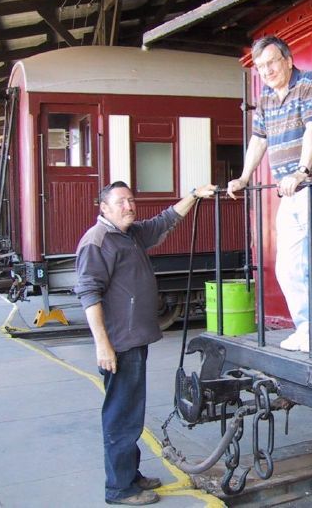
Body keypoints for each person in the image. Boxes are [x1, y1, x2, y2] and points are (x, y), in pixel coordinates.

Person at [74, 180, 215, 506]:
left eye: (131, 200)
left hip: (133, 340)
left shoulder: (130, 234)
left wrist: (193, 196)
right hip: (119, 344)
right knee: (121, 415)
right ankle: (119, 489)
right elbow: (88, 295)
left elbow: (165, 220)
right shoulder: (98, 242)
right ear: (104, 208)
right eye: (121, 202)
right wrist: (102, 345)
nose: (129, 206)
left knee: (130, 411)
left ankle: (130, 475)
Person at [227, 35, 312, 353]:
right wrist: (243, 177)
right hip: (290, 192)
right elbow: (259, 140)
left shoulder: (309, 83)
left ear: (288, 60)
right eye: (261, 66)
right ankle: (308, 328)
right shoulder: (265, 97)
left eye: (271, 63)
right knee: (288, 266)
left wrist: (302, 170)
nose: (266, 71)